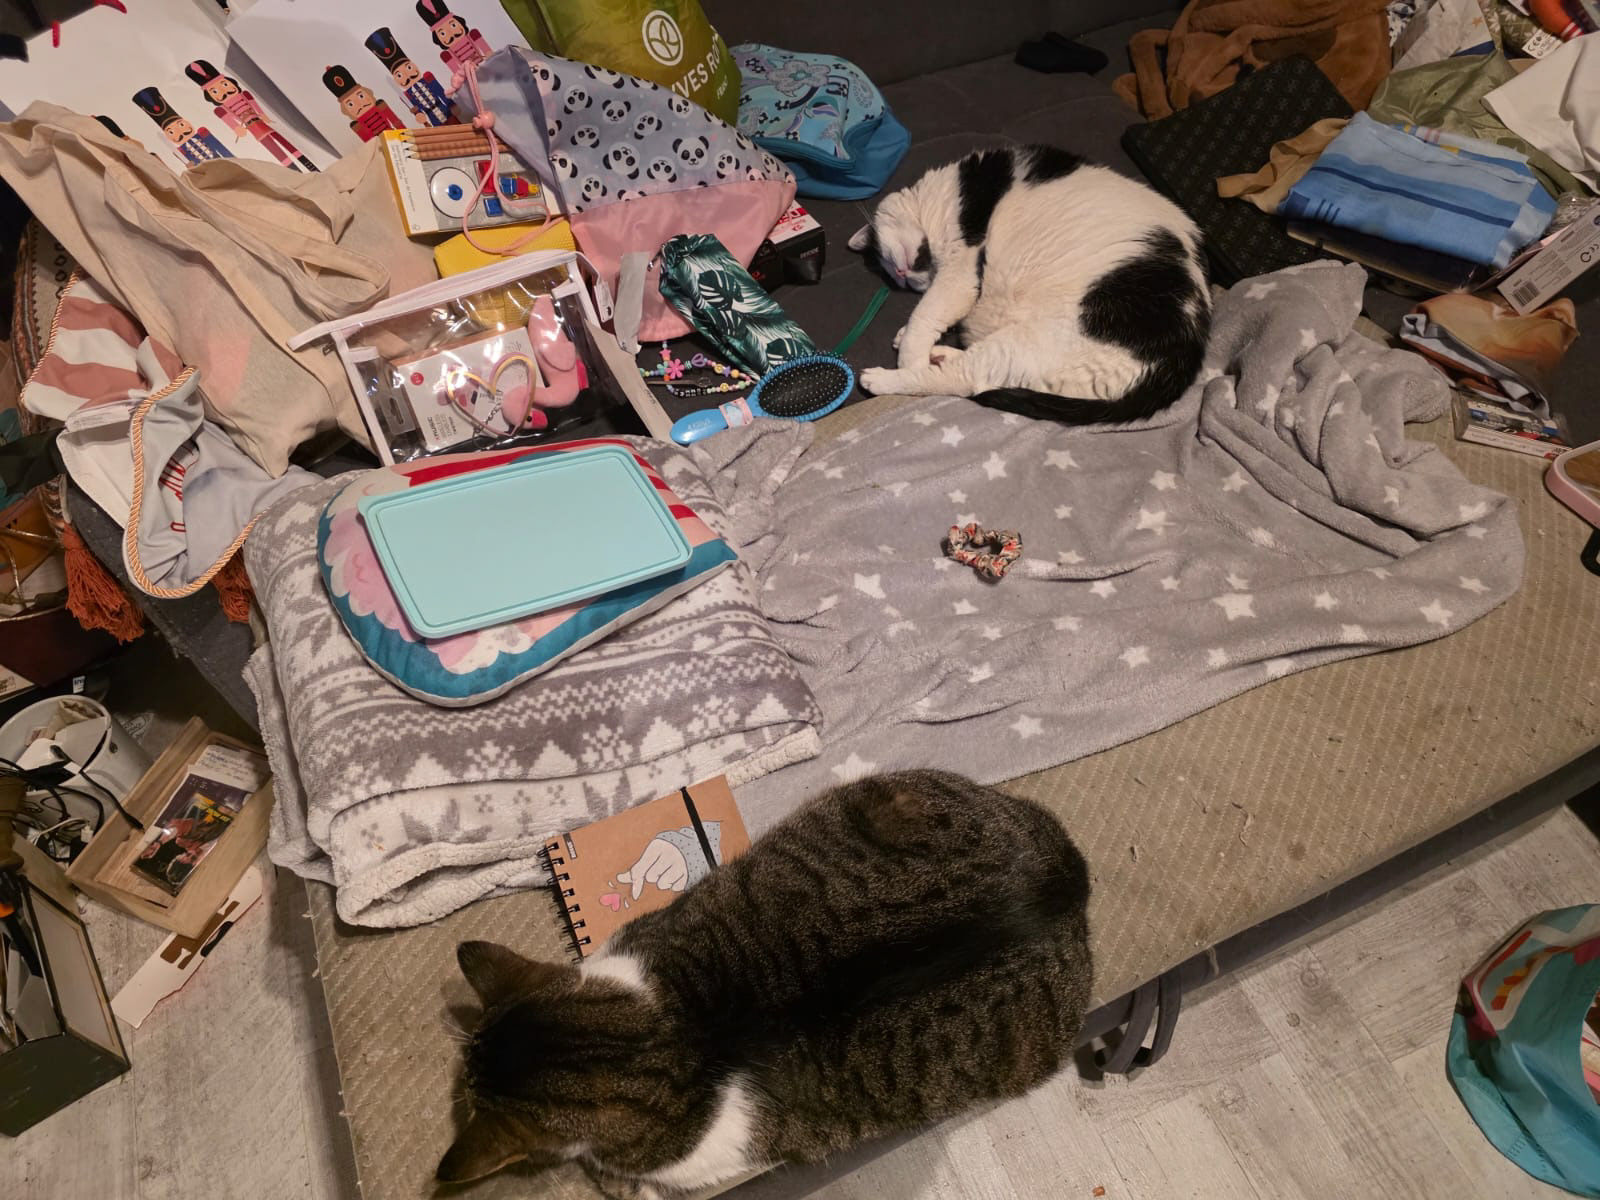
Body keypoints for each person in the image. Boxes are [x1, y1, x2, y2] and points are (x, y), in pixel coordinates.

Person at [185, 59, 318, 172]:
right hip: (253, 128)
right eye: (214, 91)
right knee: (275, 149)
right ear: (209, 95)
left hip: (262, 122)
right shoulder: (221, 110)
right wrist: (237, 128)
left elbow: (255, 106)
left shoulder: (245, 95)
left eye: (224, 84)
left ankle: (309, 166)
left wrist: (263, 115)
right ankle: (295, 171)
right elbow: (230, 121)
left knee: (286, 143)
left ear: (231, 82)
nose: (223, 91)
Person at [365, 27, 454, 126]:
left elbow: (440, 91)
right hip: (434, 120)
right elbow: (416, 110)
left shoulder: (428, 78)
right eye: (399, 75)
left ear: (414, 65)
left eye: (408, 67)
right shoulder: (406, 96)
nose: (407, 75)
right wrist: (419, 116)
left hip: (446, 111)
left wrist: (452, 104)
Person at [131, 87, 231, 167]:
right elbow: (193, 167)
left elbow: (219, 147)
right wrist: (190, 166)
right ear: (167, 135)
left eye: (181, 125)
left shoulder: (202, 133)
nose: (180, 131)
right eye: (171, 132)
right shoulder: (180, 151)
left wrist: (232, 159)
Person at [322, 64, 407, 143]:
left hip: (397, 137)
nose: (360, 104)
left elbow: (396, 122)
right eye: (350, 104)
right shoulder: (356, 125)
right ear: (346, 109)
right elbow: (369, 141)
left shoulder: (380, 105)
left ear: (367, 93)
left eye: (361, 96)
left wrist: (406, 136)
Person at [415, 0, 492, 82]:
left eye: (453, 25)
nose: (451, 34)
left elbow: (488, 53)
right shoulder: (448, 54)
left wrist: (490, 56)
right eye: (443, 33)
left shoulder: (473, 35)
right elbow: (457, 72)